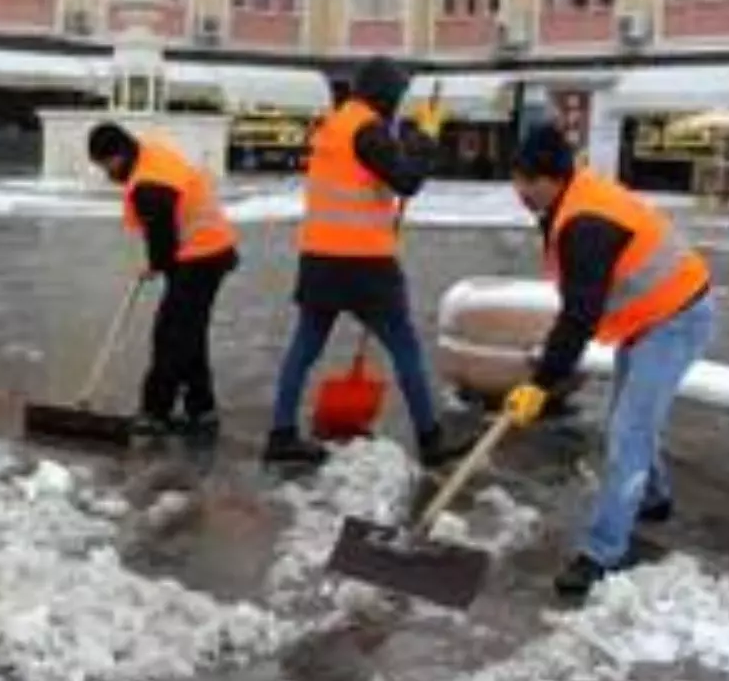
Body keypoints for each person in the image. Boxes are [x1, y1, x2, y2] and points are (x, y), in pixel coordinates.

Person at [504, 123, 714, 600]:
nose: (517, 191)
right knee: (631, 417)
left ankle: (601, 552)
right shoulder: (569, 201)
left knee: (627, 431)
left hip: (676, 318)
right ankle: (654, 498)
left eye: (523, 181)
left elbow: (579, 314)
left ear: (548, 178)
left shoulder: (585, 223)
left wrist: (543, 382)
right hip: (649, 317)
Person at [264, 56, 461, 470]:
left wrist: (407, 142)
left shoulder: (335, 125)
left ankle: (281, 434)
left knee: (304, 348)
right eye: (398, 97)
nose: (398, 104)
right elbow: (407, 179)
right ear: (386, 95)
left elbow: (377, 169)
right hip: (366, 266)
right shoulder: (368, 130)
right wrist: (425, 135)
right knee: (405, 348)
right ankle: (430, 439)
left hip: (319, 259)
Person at [87, 121, 239, 439]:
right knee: (188, 333)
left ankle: (155, 412)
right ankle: (201, 408)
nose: (107, 173)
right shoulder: (150, 157)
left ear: (118, 154)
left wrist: (157, 264)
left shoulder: (148, 183)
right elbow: (165, 230)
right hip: (207, 251)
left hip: (201, 256)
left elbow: (162, 234)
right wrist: (159, 263)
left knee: (171, 335)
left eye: (106, 164)